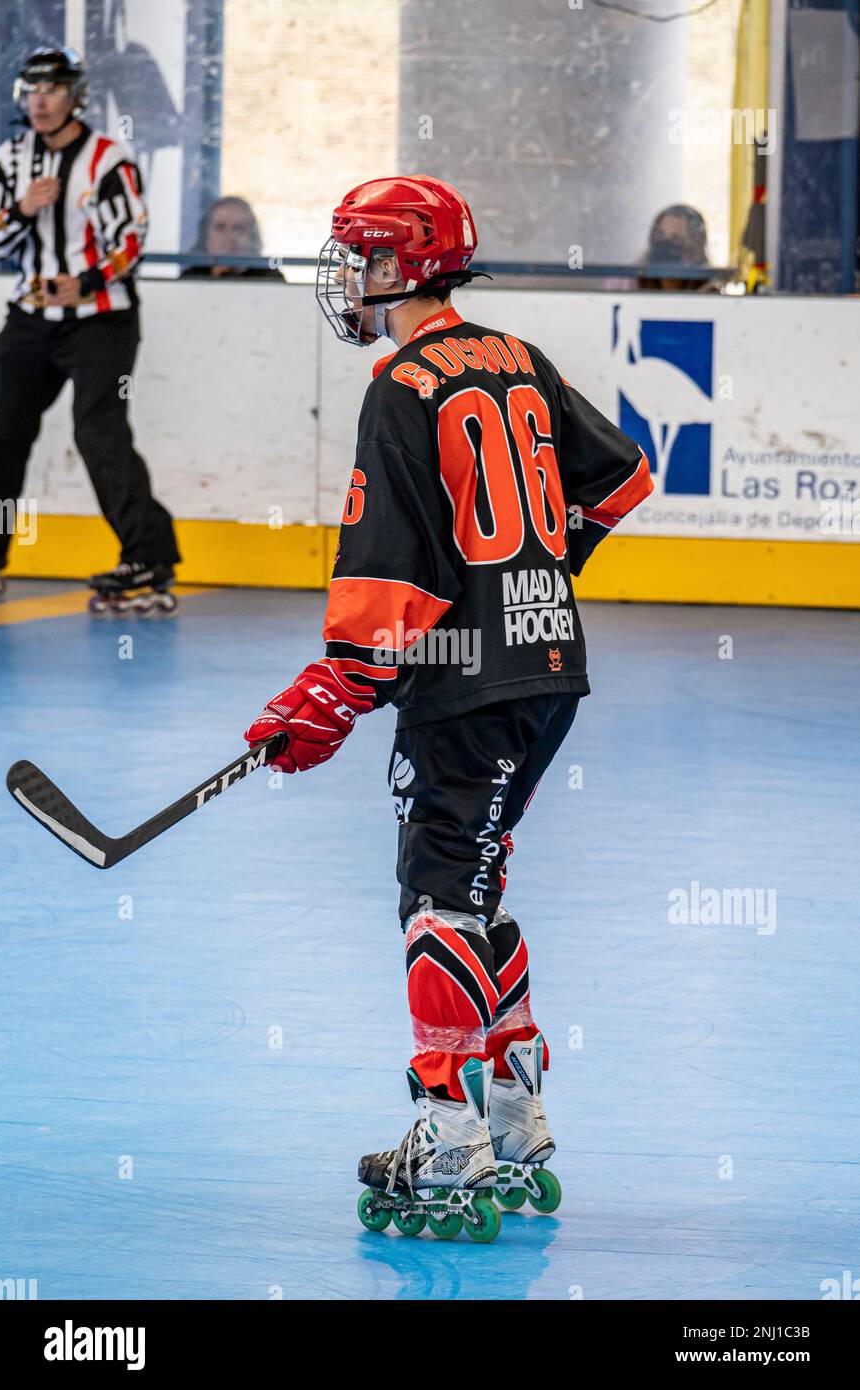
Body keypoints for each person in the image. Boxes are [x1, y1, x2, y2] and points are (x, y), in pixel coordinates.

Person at [243, 176, 653, 1241]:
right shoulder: (515, 355)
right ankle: (515, 1115)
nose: (347, 277)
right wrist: (528, 570)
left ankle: (445, 1127)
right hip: (545, 667)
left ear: (399, 266)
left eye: (357, 256)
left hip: (461, 689)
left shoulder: (401, 387)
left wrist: (327, 692)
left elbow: (391, 580)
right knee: (476, 879)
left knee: (434, 895)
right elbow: (618, 480)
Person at [0, 47, 179, 605]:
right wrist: (23, 210)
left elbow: (132, 237)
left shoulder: (107, 158)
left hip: (102, 319)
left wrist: (91, 280)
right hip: (30, 316)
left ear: (76, 96)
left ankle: (147, 557)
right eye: (32, 90)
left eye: (53, 89)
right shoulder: (11, 155)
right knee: (1, 433)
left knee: (98, 433)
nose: (41, 100)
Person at [180, 196, 284, 280]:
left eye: (238, 228)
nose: (229, 236)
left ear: (251, 237)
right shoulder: (190, 279)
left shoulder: (270, 280)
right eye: (220, 227)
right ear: (206, 236)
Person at [638, 203, 717, 292]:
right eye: (660, 236)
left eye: (676, 239)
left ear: (695, 248)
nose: (665, 246)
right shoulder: (631, 283)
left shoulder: (709, 295)